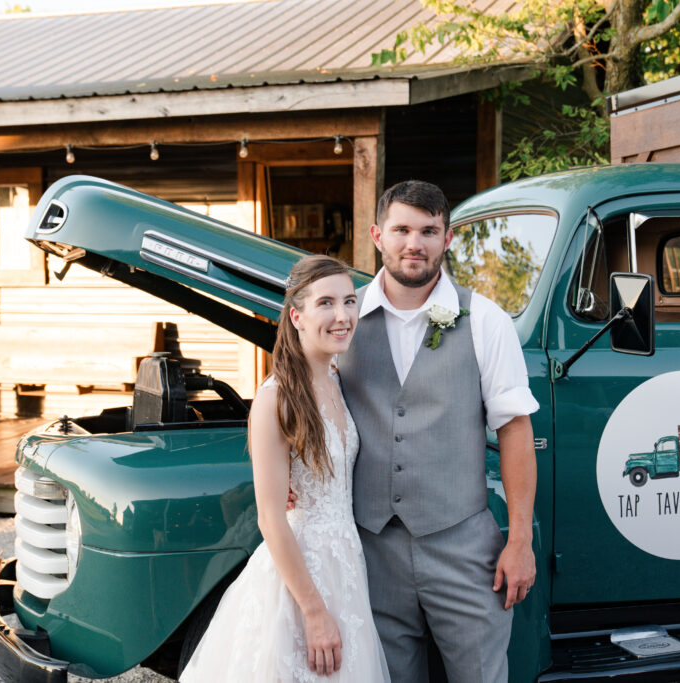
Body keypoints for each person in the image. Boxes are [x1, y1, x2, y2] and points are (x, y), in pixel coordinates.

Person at [337, 180, 539, 682]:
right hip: (371, 546)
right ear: (377, 235)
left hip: (464, 546)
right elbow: (297, 402)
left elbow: (515, 431)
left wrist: (519, 542)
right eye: (402, 229)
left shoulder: (486, 320)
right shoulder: (341, 319)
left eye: (429, 231)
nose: (415, 243)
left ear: (447, 239)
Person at [180, 255, 390, 682]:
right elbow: (271, 519)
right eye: (326, 303)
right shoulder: (276, 398)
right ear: (296, 315)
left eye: (350, 302)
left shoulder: (336, 378)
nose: (342, 315)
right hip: (300, 574)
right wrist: (313, 612)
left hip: (345, 564)